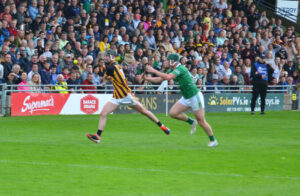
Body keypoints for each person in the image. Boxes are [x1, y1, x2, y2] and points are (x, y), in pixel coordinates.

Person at [86, 50, 171, 143]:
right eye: (106, 56)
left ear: (113, 57)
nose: (105, 57)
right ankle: (98, 136)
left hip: (126, 95)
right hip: (116, 97)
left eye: (108, 56)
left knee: (144, 111)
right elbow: (108, 77)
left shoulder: (111, 67)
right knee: (103, 113)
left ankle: (162, 126)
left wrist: (105, 79)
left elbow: (106, 76)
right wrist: (107, 79)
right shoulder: (114, 66)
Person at [144, 53, 218, 147]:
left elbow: (167, 77)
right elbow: (160, 79)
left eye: (167, 60)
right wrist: (148, 79)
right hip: (186, 97)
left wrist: (153, 70)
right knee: (173, 113)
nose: (165, 62)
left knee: (201, 120)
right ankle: (191, 122)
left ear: (172, 61)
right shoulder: (172, 70)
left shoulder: (181, 68)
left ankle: (213, 140)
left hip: (195, 96)